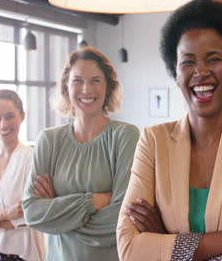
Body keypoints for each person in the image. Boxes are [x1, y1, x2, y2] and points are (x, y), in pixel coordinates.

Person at [116, 0, 222, 260]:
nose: (201, 71)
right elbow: (129, 249)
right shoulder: (153, 142)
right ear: (175, 71)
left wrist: (165, 240)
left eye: (214, 59)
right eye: (188, 62)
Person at [22, 47, 140, 261]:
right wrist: (92, 202)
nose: (86, 89)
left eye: (95, 80)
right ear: (66, 87)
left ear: (108, 87)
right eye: (77, 81)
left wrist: (58, 214)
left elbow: (124, 218)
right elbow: (32, 212)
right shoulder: (49, 140)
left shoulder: (125, 136)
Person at [0, 90, 45, 261]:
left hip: (24, 255)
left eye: (10, 116)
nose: (3, 124)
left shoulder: (34, 159)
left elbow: (36, 212)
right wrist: (7, 214)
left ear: (22, 116)